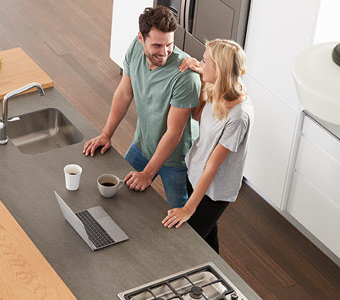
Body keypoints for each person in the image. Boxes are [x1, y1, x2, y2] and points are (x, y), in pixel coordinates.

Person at [82, 6, 201, 208]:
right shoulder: (135, 49)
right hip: (143, 143)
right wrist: (106, 134)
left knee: (179, 216)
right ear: (141, 38)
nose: (164, 52)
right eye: (157, 45)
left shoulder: (186, 77)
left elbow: (174, 133)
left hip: (176, 159)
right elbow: (124, 93)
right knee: (117, 194)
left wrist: (147, 174)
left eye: (169, 45)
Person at [162, 39, 253, 254]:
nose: (200, 63)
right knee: (207, 237)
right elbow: (198, 115)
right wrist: (202, 80)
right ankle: (218, 282)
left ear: (219, 69)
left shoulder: (239, 116)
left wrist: (188, 208)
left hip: (215, 191)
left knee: (188, 244)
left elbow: (213, 166)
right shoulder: (219, 87)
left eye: (204, 61)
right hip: (195, 173)